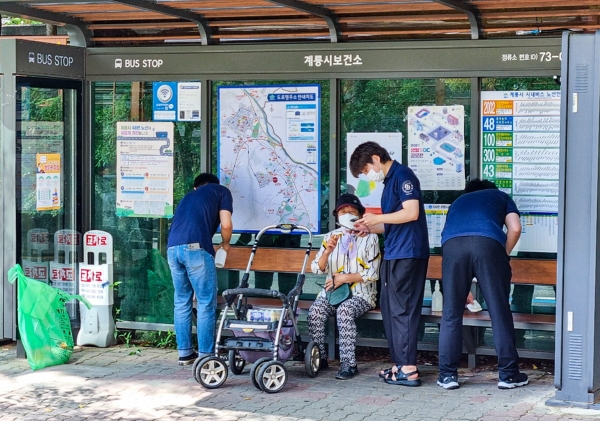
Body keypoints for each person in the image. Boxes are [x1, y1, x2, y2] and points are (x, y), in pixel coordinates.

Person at [349, 142, 430, 387]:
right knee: (391, 308)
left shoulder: (403, 176)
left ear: (376, 158)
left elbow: (411, 212)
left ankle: (408, 368)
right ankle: (399, 364)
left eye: (365, 170)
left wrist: (377, 218)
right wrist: (369, 228)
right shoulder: (390, 181)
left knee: (402, 309)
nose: (367, 176)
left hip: (408, 253)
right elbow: (394, 222)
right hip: (395, 251)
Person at [437, 178, 528, 390]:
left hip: (452, 246)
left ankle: (448, 376)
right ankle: (508, 375)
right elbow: (515, 228)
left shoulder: (458, 201)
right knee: (499, 311)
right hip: (488, 243)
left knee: (451, 314)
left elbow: (450, 234)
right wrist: (503, 254)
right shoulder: (501, 196)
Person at [307, 194, 381, 380]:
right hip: (333, 293)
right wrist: (327, 252)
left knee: (345, 311)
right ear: (337, 216)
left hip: (361, 294)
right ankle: (320, 358)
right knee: (315, 311)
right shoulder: (330, 237)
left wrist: (343, 278)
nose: (347, 215)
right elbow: (316, 268)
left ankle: (349, 364)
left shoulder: (370, 238)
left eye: (352, 211)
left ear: (360, 215)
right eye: (343, 212)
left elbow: (373, 274)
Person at [167, 173, 233, 365]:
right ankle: (206, 355)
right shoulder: (221, 191)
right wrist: (226, 245)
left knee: (181, 302)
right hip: (195, 249)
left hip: (172, 249)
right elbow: (226, 225)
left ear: (196, 187)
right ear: (214, 184)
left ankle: (185, 354)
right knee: (205, 302)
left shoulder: (188, 197)